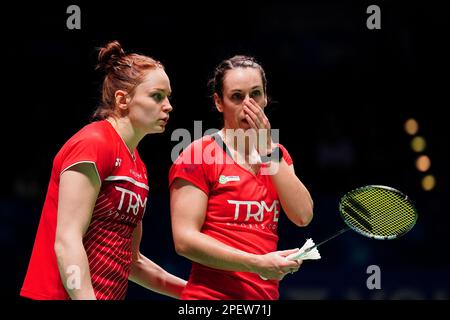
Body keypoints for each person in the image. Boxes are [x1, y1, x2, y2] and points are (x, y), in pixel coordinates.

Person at [20, 41, 186, 300]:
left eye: (168, 97)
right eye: (157, 96)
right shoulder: (93, 144)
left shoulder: (138, 167)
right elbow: (67, 240)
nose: (168, 106)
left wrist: (198, 293)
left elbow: (133, 262)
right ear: (123, 99)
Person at [169, 55, 314, 300]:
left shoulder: (277, 156)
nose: (249, 105)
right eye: (237, 97)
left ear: (265, 97)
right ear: (218, 102)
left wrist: (268, 148)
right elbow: (184, 240)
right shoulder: (198, 154)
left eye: (255, 94)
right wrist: (256, 263)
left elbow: (303, 216)